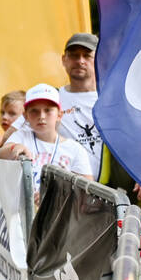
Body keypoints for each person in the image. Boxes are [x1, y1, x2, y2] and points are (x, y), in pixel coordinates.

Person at [0, 83, 94, 197]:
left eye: (48, 110)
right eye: (34, 111)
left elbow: (87, 191)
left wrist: (55, 198)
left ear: (59, 115)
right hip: (24, 206)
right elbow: (1, 153)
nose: (41, 116)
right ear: (25, 116)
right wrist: (15, 147)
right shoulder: (21, 136)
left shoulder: (75, 149)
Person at [57, 33, 103, 177]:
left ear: (99, 60)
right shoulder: (52, 99)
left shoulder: (112, 98)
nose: (80, 61)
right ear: (64, 60)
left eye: (87, 56)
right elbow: (15, 135)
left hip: (110, 187)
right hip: (67, 186)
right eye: (74, 55)